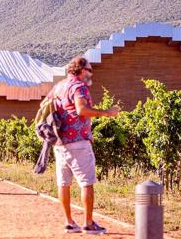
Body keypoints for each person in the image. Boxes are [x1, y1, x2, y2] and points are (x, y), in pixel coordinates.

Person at [53, 56, 120, 234]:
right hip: (78, 143)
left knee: (63, 183)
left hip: (60, 143)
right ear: (81, 70)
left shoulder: (59, 86)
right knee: (87, 183)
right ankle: (89, 224)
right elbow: (81, 110)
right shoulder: (79, 87)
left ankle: (69, 222)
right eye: (90, 70)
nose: (91, 73)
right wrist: (107, 113)